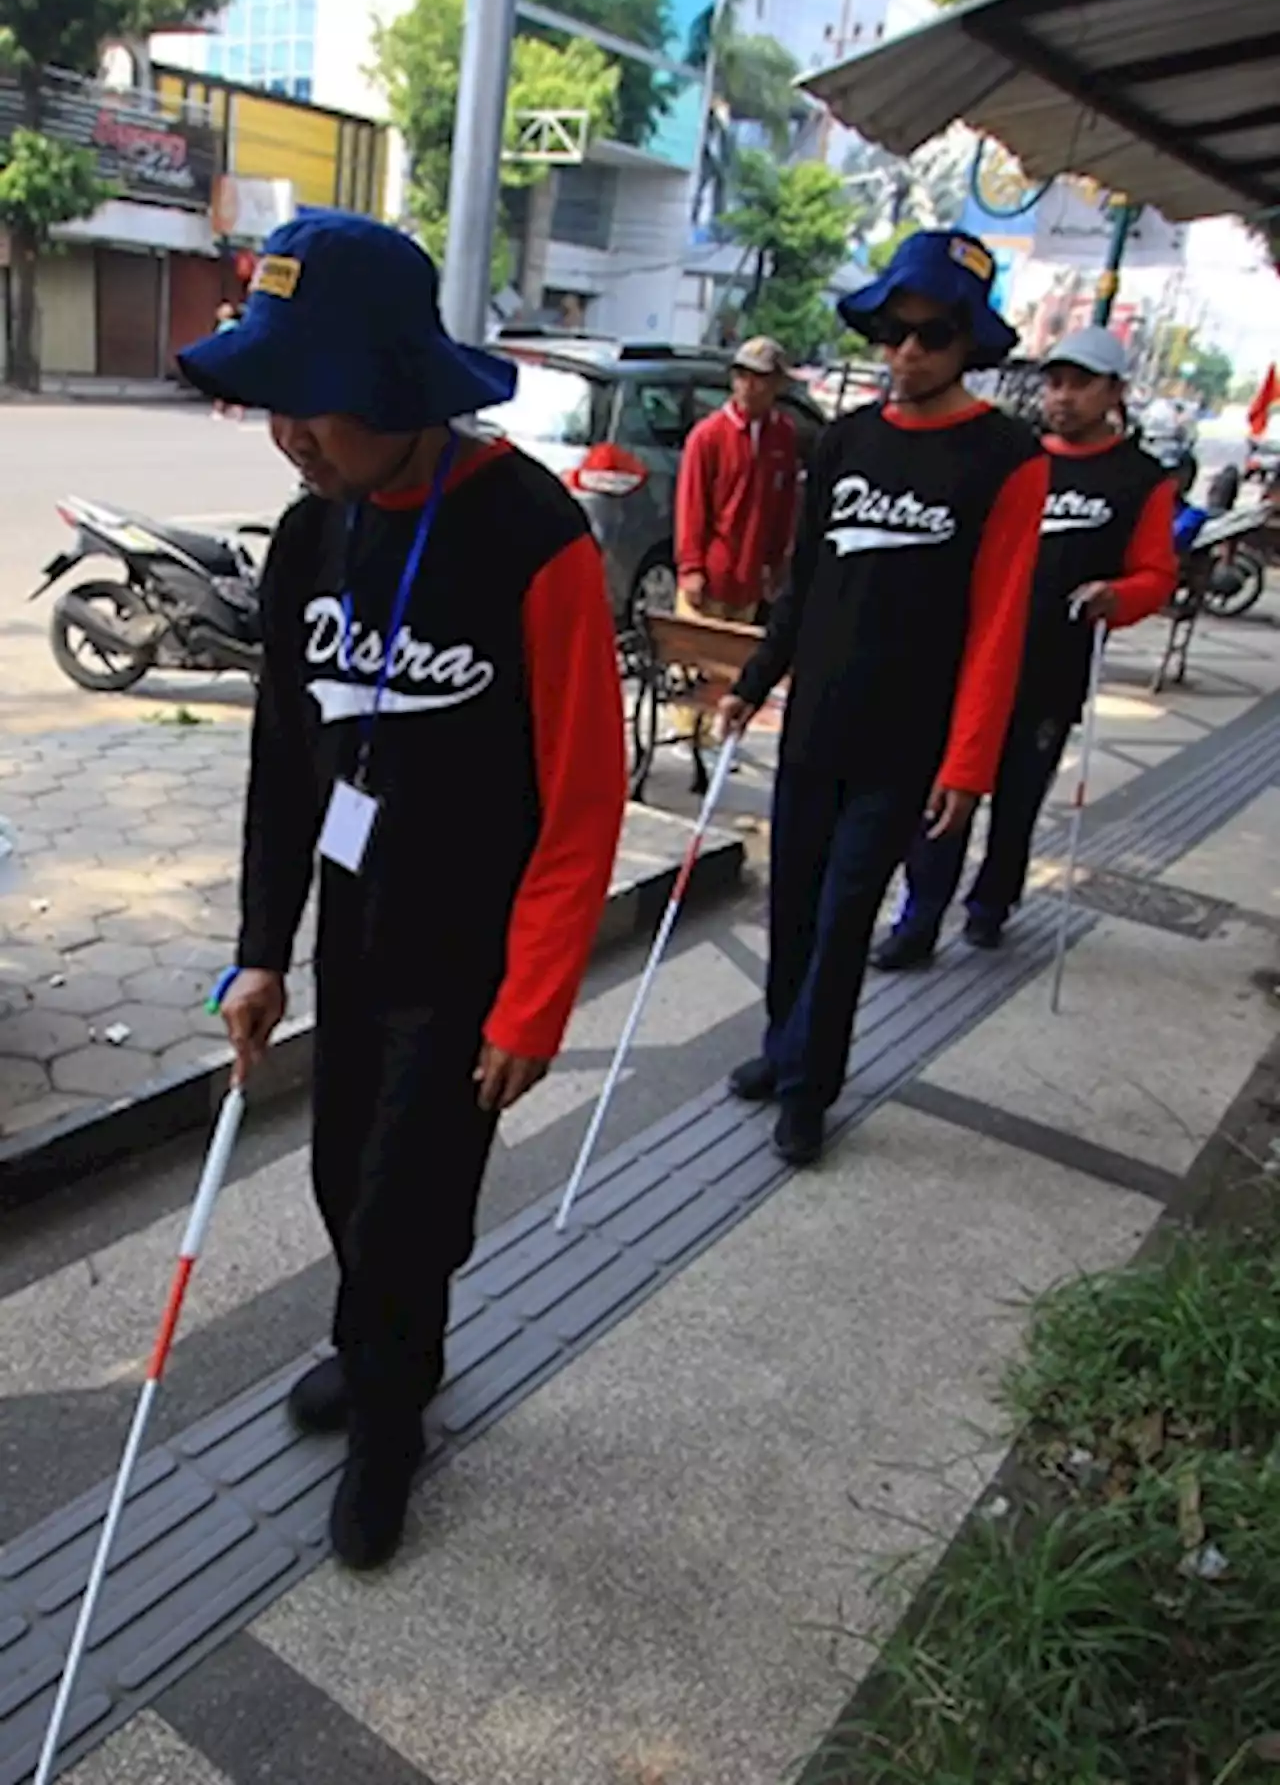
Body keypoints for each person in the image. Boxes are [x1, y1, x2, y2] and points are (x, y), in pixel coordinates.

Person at [177, 211, 626, 1570]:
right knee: (340, 1175)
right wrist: (261, 951)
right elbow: (282, 764)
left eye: (309, 402)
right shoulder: (312, 540)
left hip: (474, 955)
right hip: (354, 944)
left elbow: (585, 794)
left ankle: (389, 1431)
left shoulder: (534, 537)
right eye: (274, 407)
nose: (289, 438)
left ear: (389, 382)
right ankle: (383, 1352)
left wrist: (535, 1002)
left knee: (407, 1205)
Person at [719, 230, 1048, 1167]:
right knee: (791, 906)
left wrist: (970, 764)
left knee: (845, 914)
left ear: (966, 344)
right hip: (816, 725)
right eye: (895, 332)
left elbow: (999, 624)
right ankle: (782, 1049)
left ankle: (810, 1087)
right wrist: (753, 682)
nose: (908, 352)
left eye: (933, 334)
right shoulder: (846, 440)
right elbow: (805, 584)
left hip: (906, 743)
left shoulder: (1007, 458)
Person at [874, 325, 1176, 969]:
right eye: (1055, 382)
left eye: (1080, 384)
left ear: (1113, 392)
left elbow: (1156, 573)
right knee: (946, 794)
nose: (1063, 397)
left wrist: (1116, 596)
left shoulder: (1139, 479)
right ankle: (918, 918)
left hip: (1051, 669)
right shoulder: (1013, 458)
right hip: (974, 663)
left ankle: (991, 905)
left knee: (1017, 798)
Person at [675, 334, 799, 626]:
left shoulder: (783, 435)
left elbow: (784, 504)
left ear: (777, 384)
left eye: (759, 378)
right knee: (696, 664)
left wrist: (776, 563)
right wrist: (691, 569)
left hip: (750, 582)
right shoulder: (709, 436)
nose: (748, 385)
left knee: (735, 666)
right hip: (710, 578)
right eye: (742, 375)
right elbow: (691, 506)